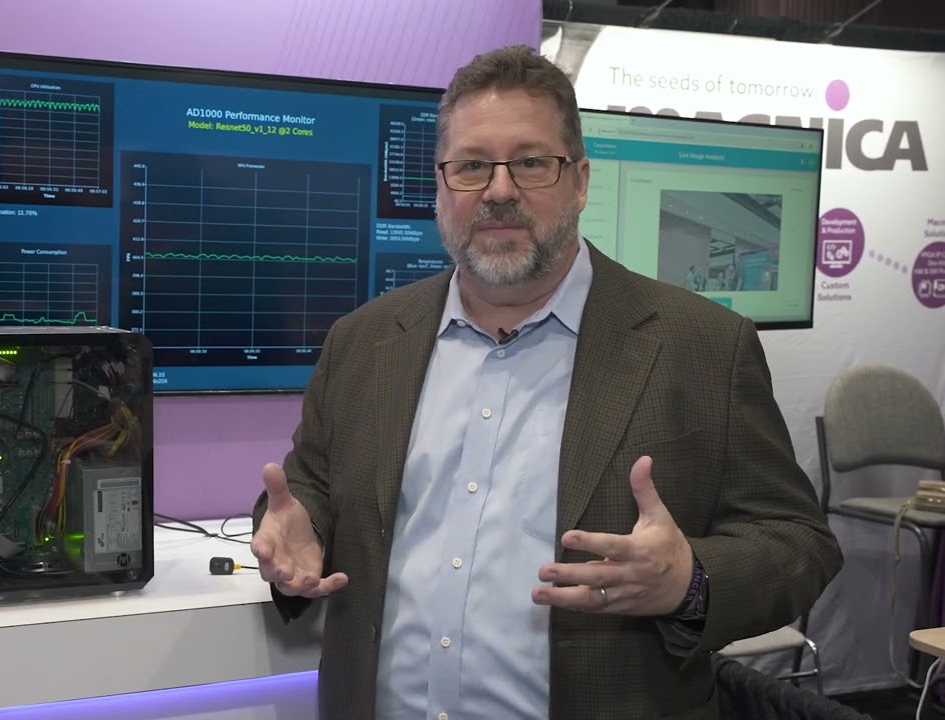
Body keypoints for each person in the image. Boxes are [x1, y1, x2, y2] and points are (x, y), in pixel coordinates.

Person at [250, 44, 841, 720]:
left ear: (580, 181)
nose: (499, 191)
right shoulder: (363, 341)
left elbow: (798, 540)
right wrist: (293, 528)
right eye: (472, 166)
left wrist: (690, 581)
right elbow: (313, 490)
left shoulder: (701, 346)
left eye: (530, 163)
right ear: (441, 186)